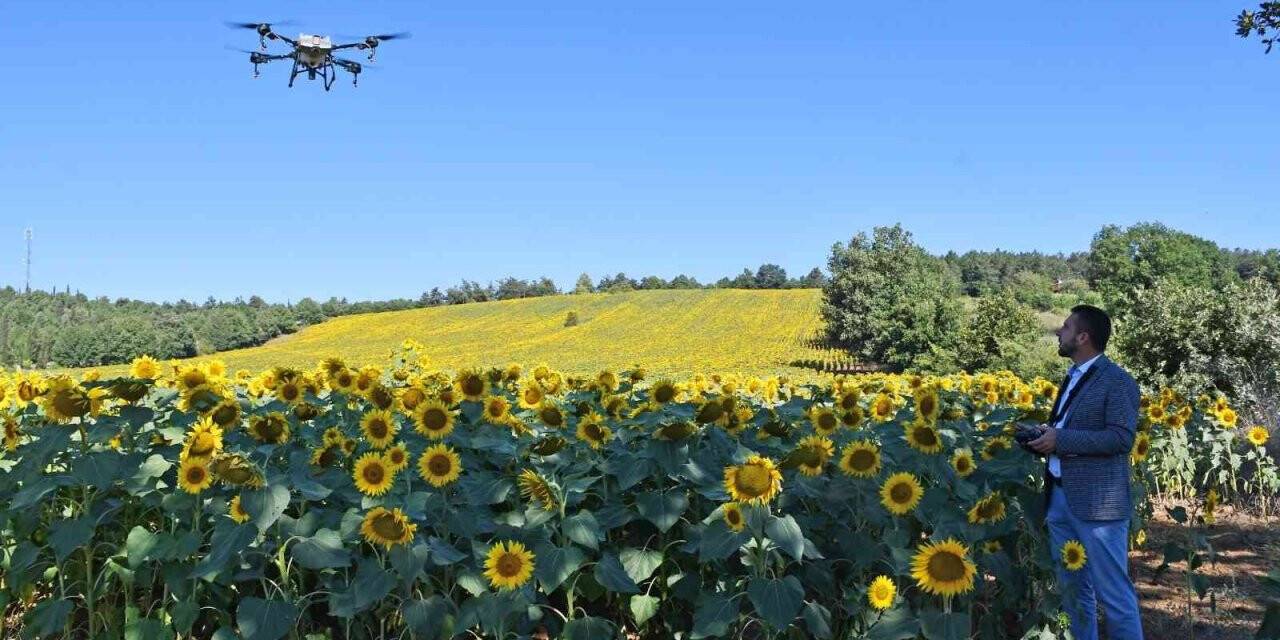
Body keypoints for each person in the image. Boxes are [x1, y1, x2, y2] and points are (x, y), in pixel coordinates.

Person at [1026, 304, 1143, 639]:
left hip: (1097, 506)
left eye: (1065, 327)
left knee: (1114, 594)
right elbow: (1068, 427)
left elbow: (1121, 438)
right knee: (1074, 592)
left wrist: (1060, 439)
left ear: (1083, 336)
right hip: (1061, 497)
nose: (1058, 333)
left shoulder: (1117, 381)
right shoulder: (1074, 376)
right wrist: (1042, 436)